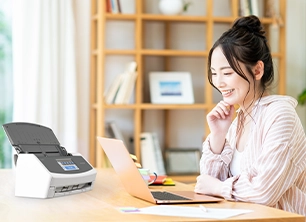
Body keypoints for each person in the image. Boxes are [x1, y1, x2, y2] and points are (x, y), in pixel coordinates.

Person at [194, 15, 306, 216]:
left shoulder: (280, 115)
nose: (219, 82)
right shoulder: (237, 121)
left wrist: (219, 188)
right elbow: (206, 185)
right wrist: (218, 136)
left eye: (227, 73)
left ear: (257, 70)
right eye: (214, 73)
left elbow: (264, 191)